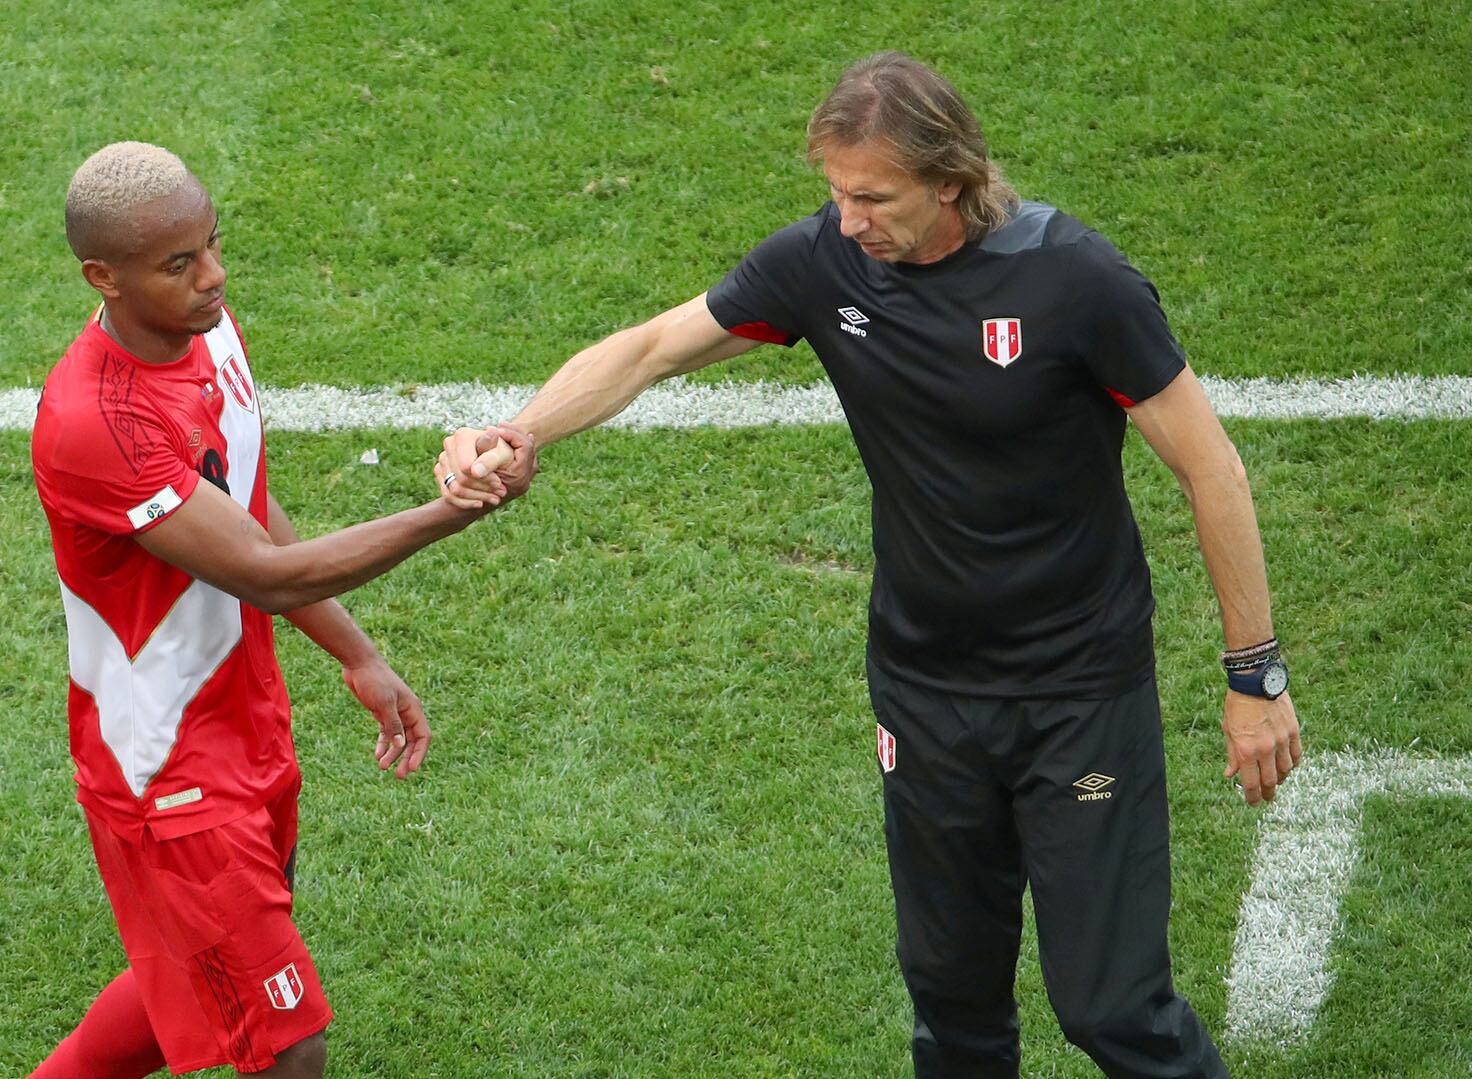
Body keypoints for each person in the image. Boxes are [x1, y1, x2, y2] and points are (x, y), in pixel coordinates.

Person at [437, 52, 1300, 1079]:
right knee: (952, 1002)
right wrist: (519, 429)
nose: (848, 220)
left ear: (953, 181)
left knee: (1112, 1007)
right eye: (836, 194)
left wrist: (1255, 676)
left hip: (1077, 692)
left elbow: (1213, 469)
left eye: (872, 197)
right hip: (925, 692)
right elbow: (652, 346)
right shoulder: (827, 264)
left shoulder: (1077, 281)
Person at [27, 141, 530, 1079]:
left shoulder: (206, 332)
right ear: (103, 276)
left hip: (240, 715)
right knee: (291, 1041)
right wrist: (450, 510)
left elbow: (245, 501)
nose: (213, 277)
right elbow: (269, 573)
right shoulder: (97, 423)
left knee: (200, 960)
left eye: (212, 244)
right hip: (163, 767)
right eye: (179, 265)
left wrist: (358, 653)